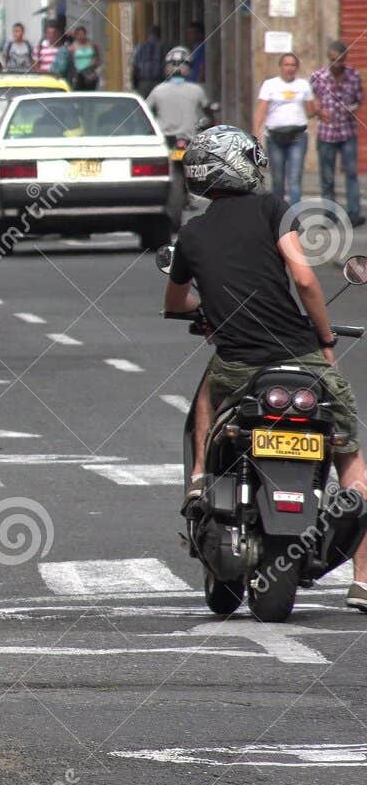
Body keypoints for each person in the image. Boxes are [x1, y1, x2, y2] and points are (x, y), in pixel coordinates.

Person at [164, 124, 367, 614]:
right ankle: (363, 576)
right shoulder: (273, 209)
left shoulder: (191, 234)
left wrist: (207, 311)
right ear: (243, 166)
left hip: (238, 366)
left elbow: (175, 302)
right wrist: (323, 339)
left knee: (209, 397)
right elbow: (303, 277)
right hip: (299, 360)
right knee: (349, 453)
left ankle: (197, 478)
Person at [310, 40, 366, 228]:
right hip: (326, 134)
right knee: (327, 177)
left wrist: (352, 108)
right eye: (333, 60)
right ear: (329, 59)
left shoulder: (353, 75)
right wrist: (318, 111)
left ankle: (354, 213)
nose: (337, 64)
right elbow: (311, 101)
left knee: (351, 174)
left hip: (347, 132)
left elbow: (359, 99)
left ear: (345, 59)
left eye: (340, 60)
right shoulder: (318, 76)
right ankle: (330, 214)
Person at [253, 52, 318, 210]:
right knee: (277, 179)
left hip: (298, 136)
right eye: (286, 64)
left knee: (295, 179)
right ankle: (278, 217)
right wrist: (256, 133)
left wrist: (316, 106)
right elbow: (261, 110)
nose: (290, 68)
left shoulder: (303, 85)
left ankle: (292, 219)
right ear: (280, 67)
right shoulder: (270, 84)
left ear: (297, 67)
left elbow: (310, 112)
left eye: (293, 65)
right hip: (275, 137)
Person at [146, 46, 210, 138]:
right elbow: (207, 110)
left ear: (167, 68)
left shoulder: (158, 90)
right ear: (189, 69)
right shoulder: (197, 90)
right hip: (190, 140)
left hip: (165, 139)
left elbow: (145, 110)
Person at [131, 25, 164, 98]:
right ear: (160, 35)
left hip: (144, 81)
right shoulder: (163, 47)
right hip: (157, 82)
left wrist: (135, 82)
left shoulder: (141, 47)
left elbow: (135, 66)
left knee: (144, 103)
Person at [68, 26, 102, 90]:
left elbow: (98, 58)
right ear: (76, 36)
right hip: (78, 74)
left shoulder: (92, 45)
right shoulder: (72, 47)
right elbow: (71, 61)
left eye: (83, 34)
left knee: (90, 92)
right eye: (79, 35)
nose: (81, 37)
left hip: (90, 74)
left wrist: (95, 65)